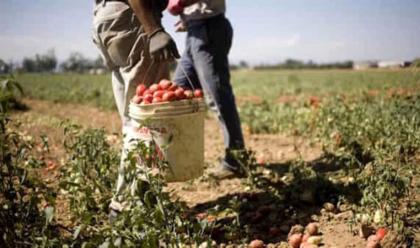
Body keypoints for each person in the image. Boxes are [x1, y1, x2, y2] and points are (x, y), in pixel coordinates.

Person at [92, 0, 180, 217]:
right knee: (148, 122)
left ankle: (136, 201)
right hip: (134, 19)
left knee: (134, 120)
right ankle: (127, 206)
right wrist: (154, 30)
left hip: (108, 19)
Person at [167, 0, 246, 179]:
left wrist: (179, 4)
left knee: (217, 96)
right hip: (195, 30)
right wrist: (187, 17)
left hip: (209, 28)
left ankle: (236, 160)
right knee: (178, 92)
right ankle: (179, 158)